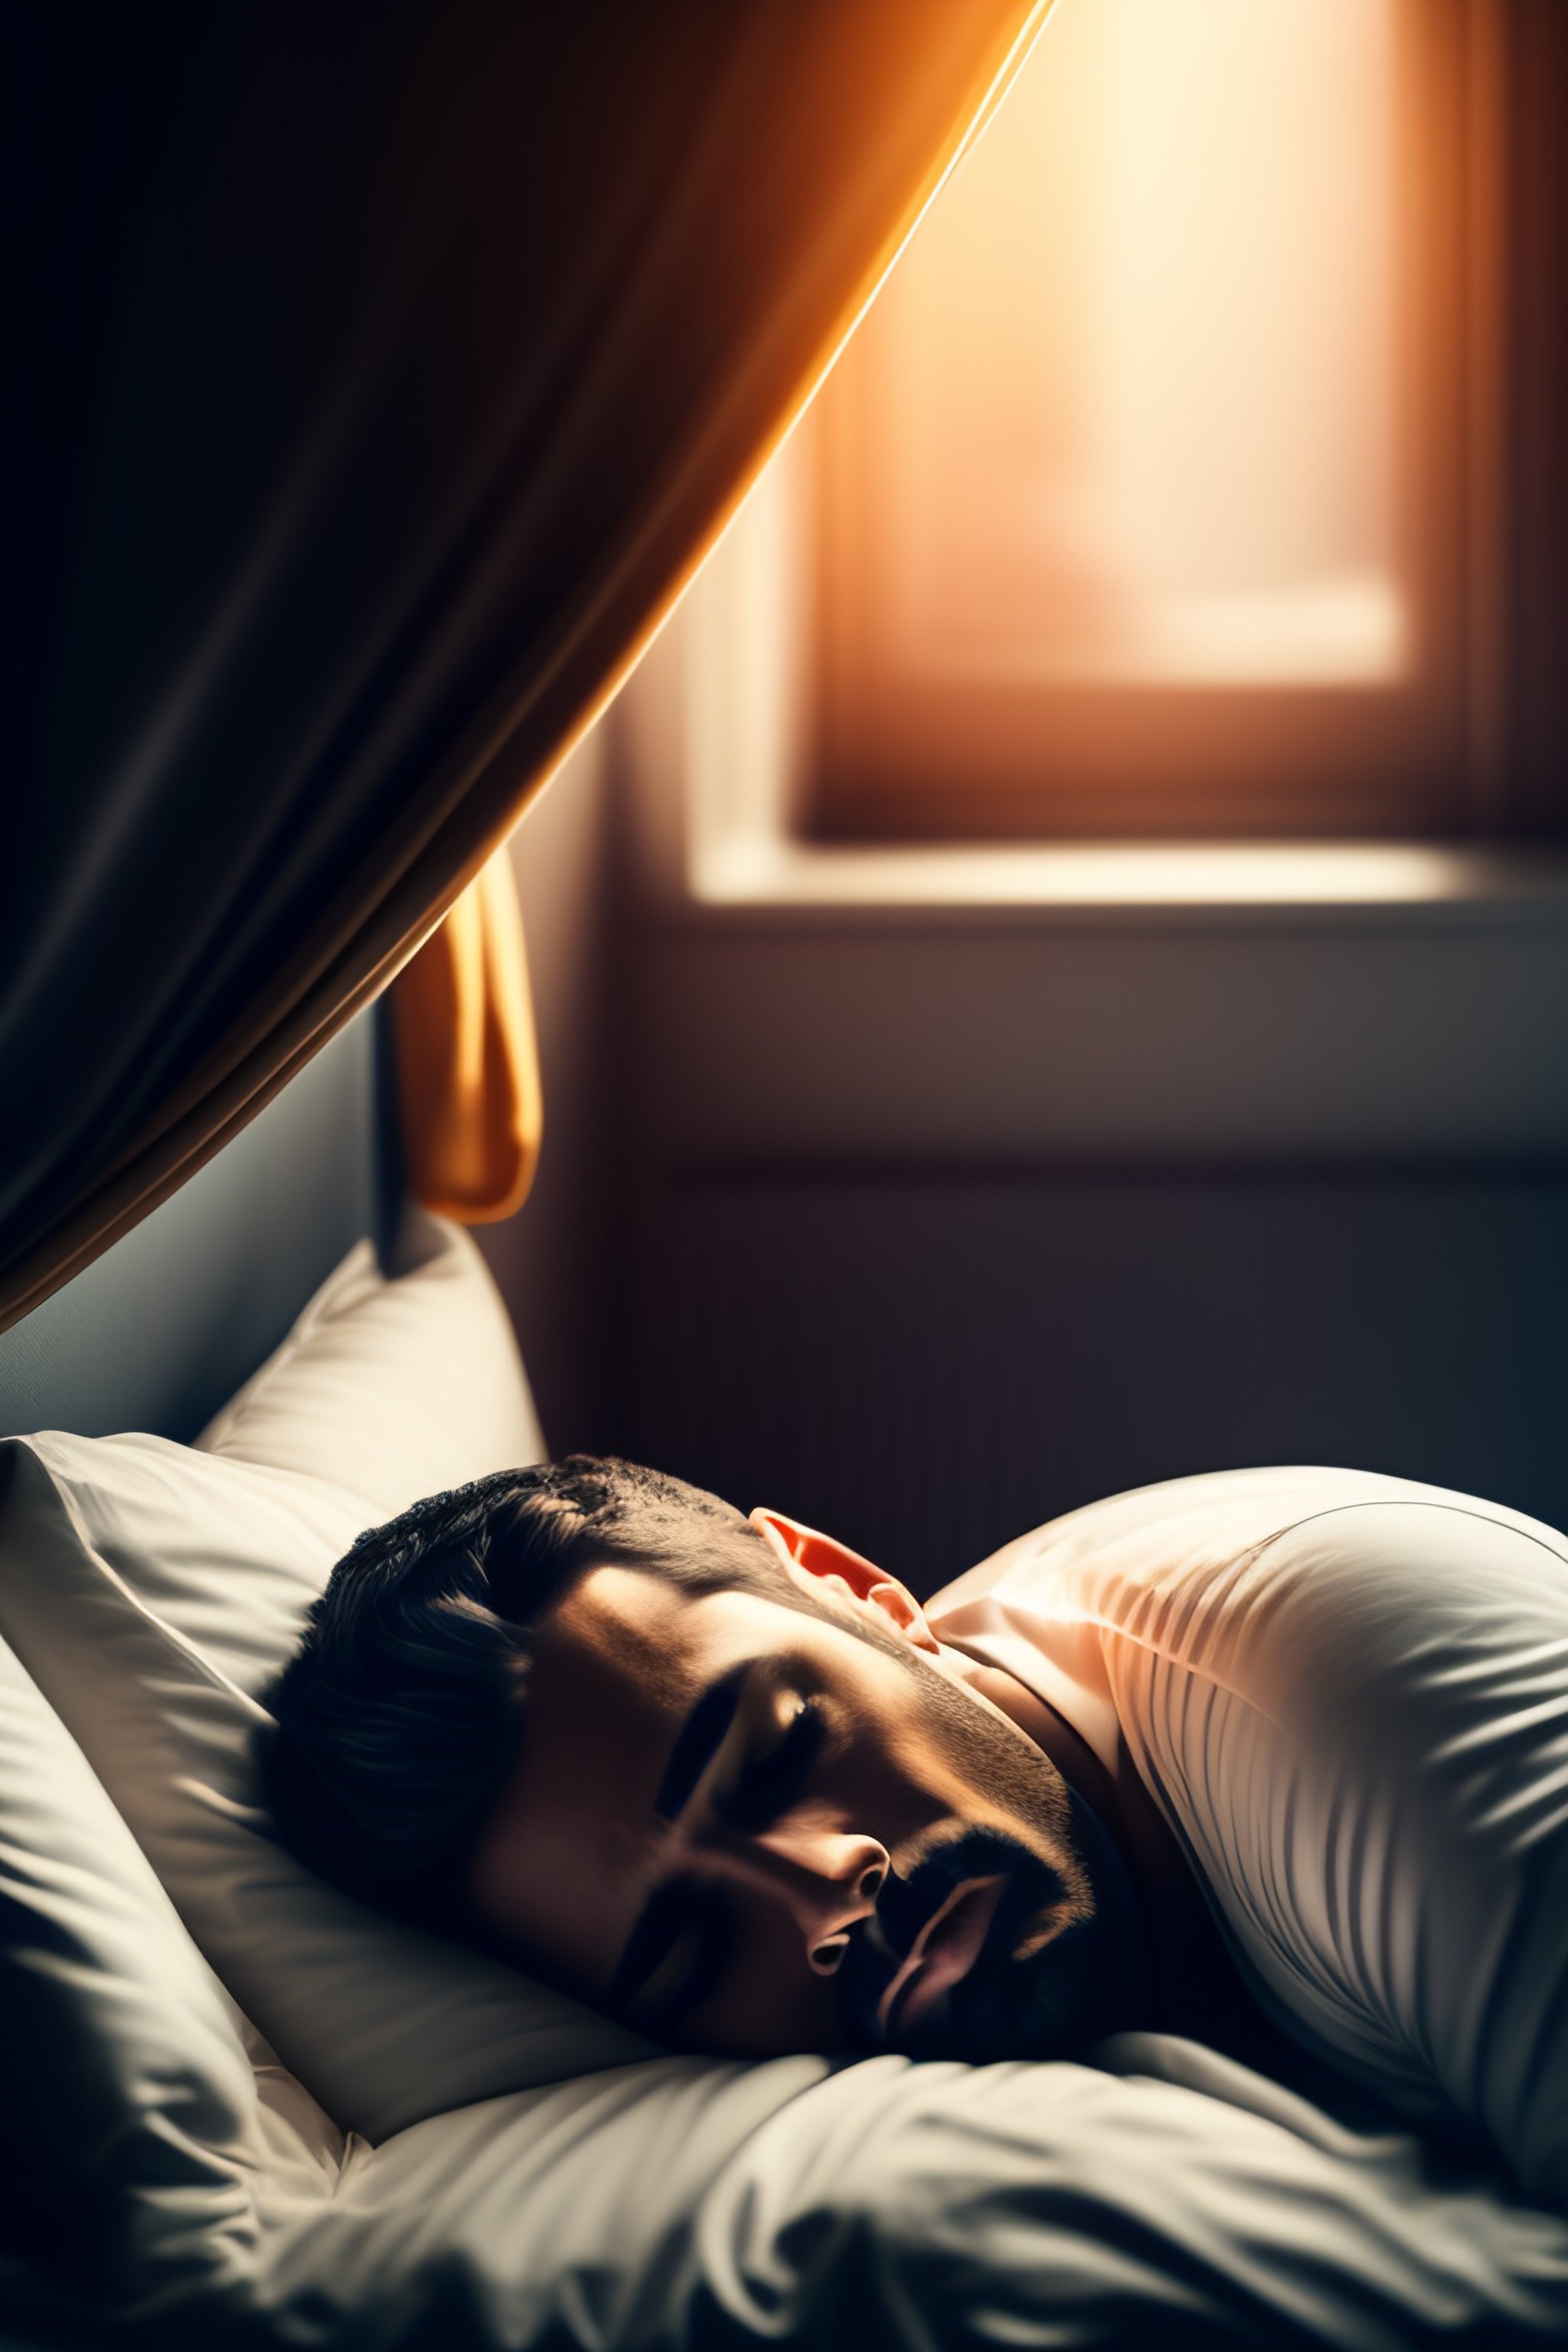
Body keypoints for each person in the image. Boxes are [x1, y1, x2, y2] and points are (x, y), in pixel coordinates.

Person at [263, 1455, 1568, 2208]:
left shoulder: (1356, 1685)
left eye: (776, 1752)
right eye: (697, 1949)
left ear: (856, 1590)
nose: (821, 1891)